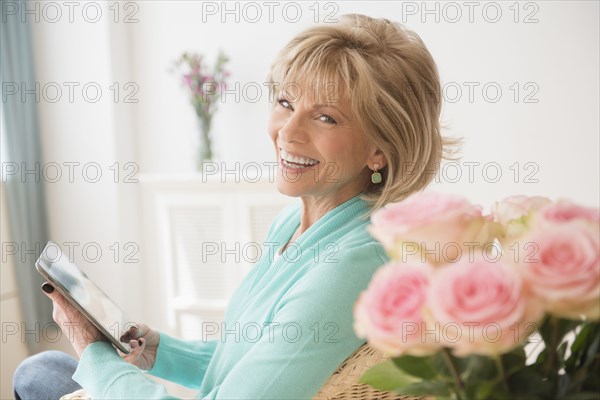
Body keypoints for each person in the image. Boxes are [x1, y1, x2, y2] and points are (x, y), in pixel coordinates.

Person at [14, 13, 455, 400]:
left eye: (326, 117)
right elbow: (246, 365)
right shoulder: (292, 225)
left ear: (381, 147)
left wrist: (93, 352)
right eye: (285, 102)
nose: (288, 132)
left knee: (37, 374)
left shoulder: (352, 264)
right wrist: (156, 351)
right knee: (42, 371)